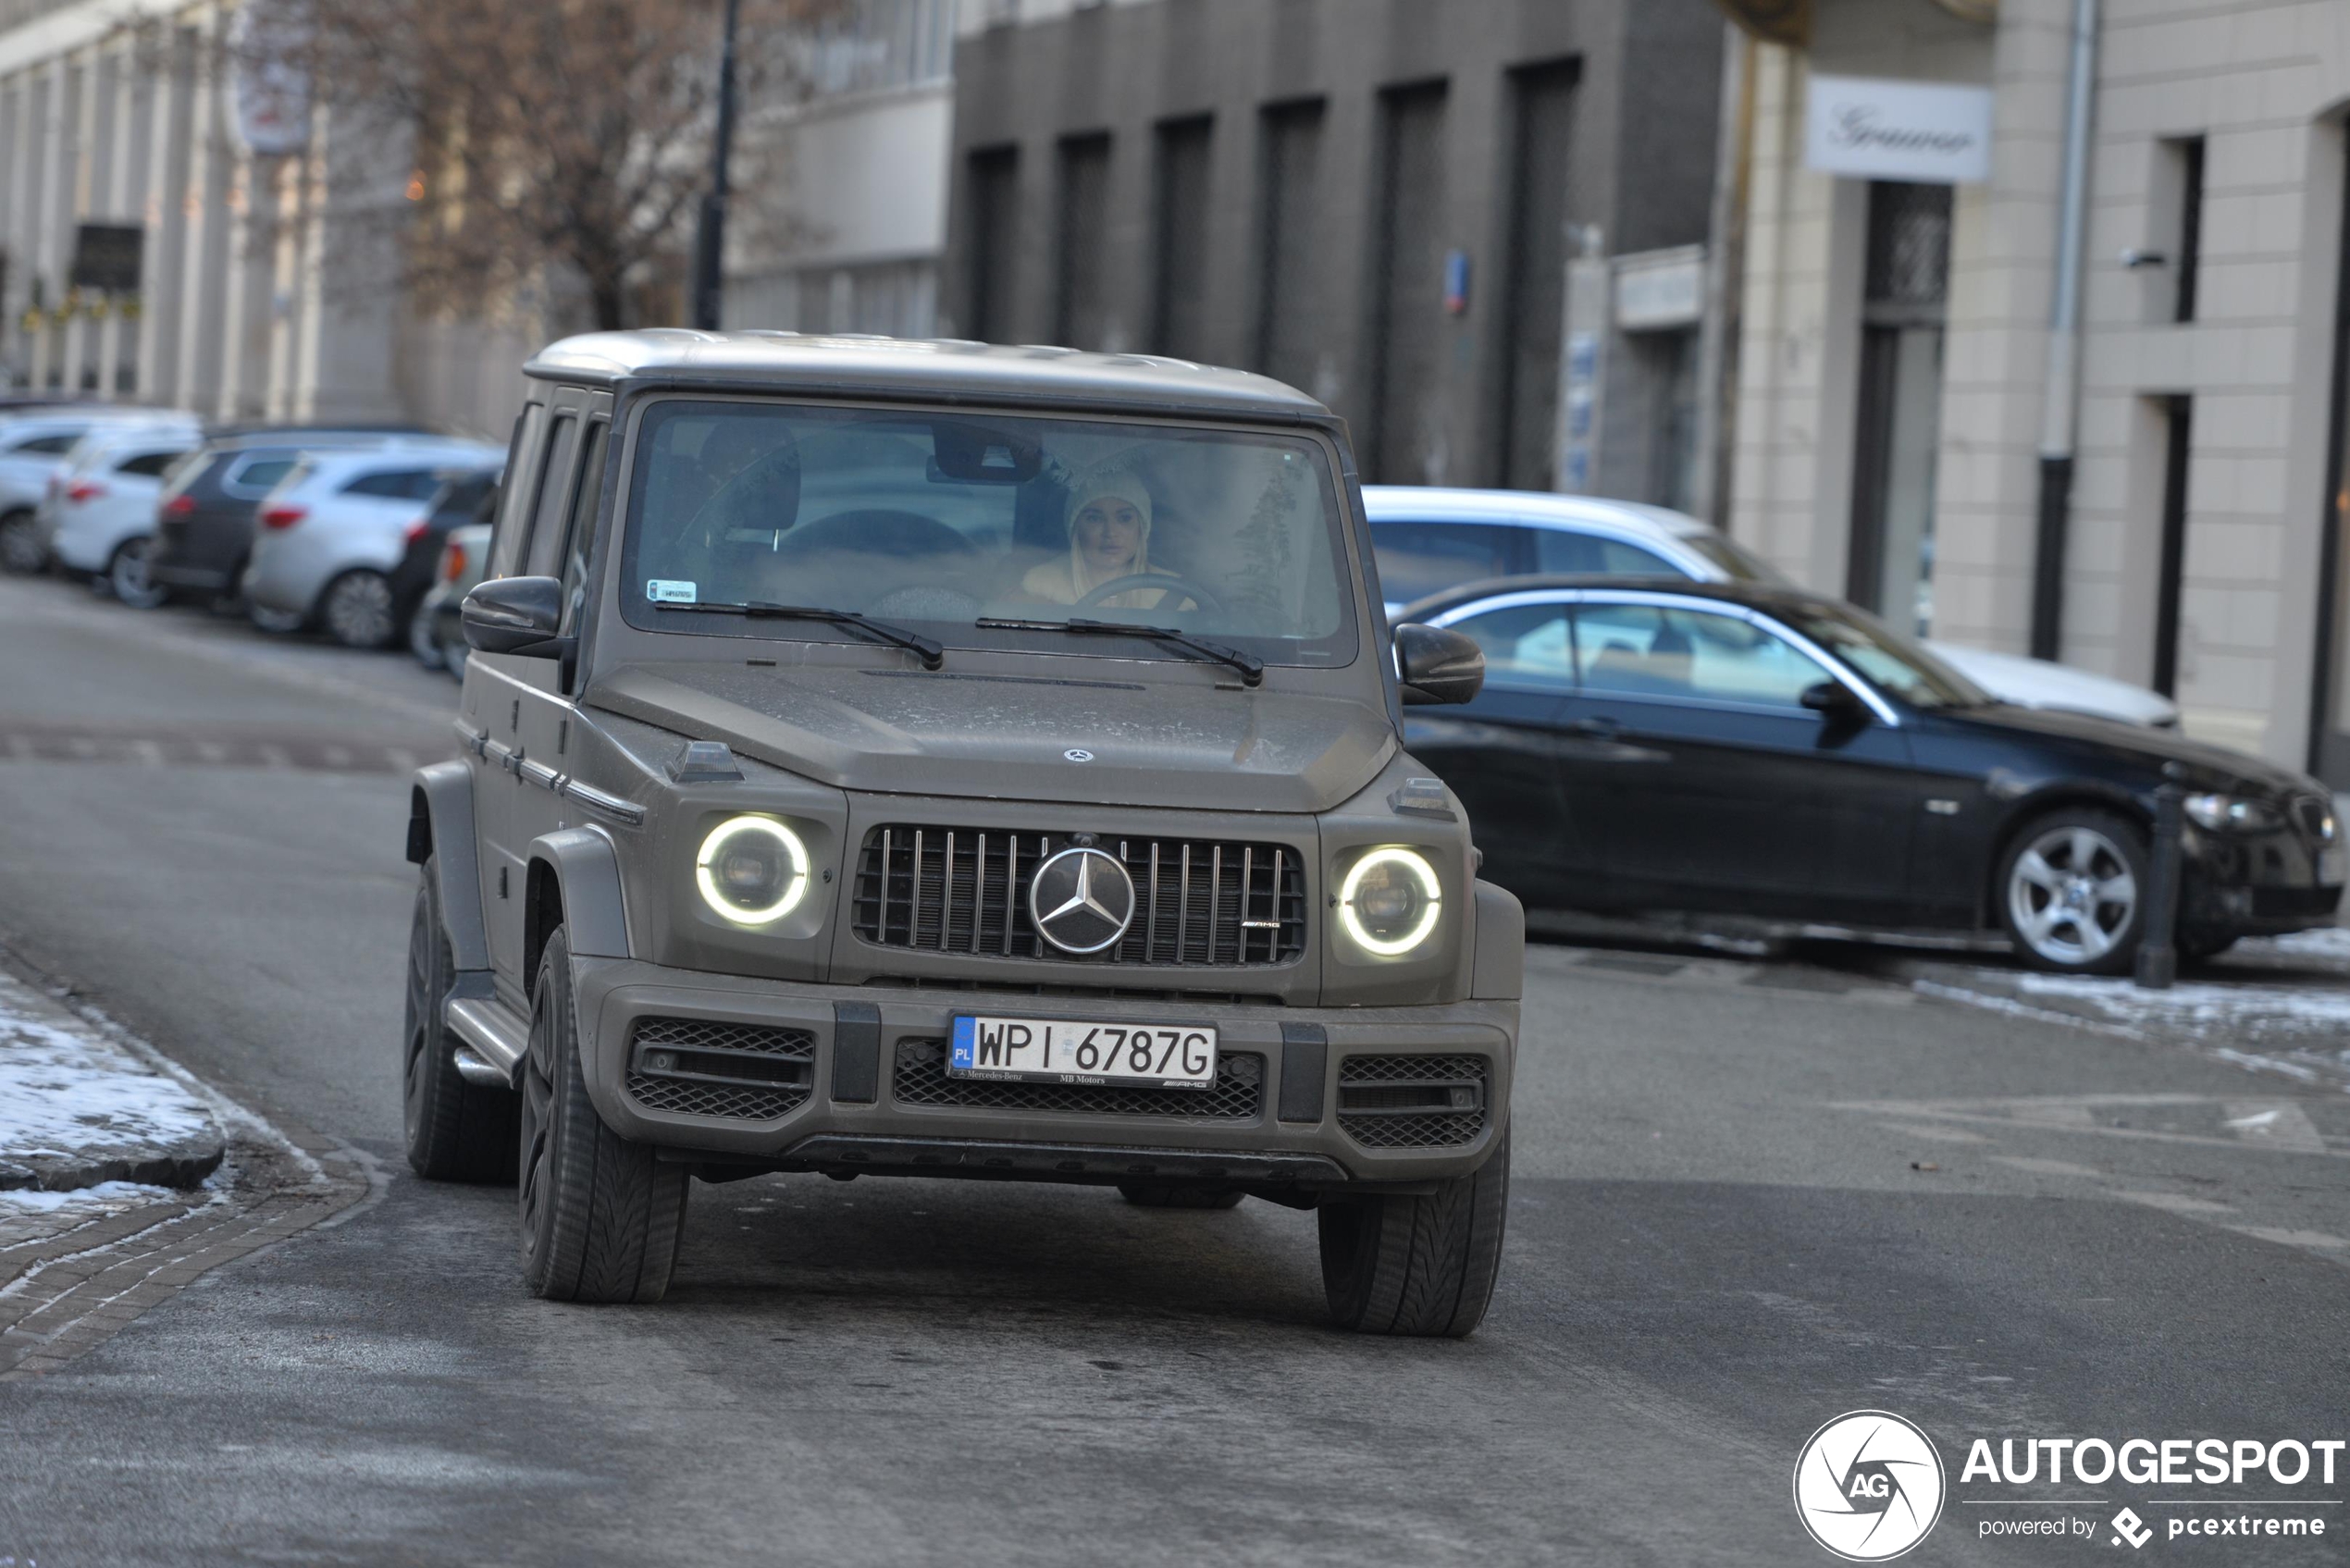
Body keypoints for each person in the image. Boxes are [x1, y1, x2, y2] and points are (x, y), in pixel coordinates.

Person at [1021, 463, 1183, 609]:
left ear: (1141, 528)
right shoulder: (1040, 588)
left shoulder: (1173, 594)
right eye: (1094, 518)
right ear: (1075, 529)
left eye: (1124, 518)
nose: (1111, 532)